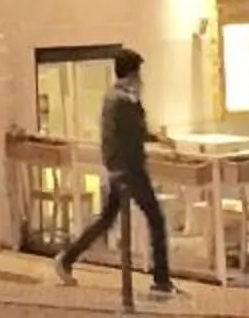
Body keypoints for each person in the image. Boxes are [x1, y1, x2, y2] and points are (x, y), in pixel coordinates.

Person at [55, 49, 178, 297]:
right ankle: (161, 279)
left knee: (107, 219)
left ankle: (68, 258)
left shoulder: (112, 96)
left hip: (117, 168)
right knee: (156, 218)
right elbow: (136, 132)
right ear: (133, 72)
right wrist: (159, 139)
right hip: (130, 169)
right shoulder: (124, 99)